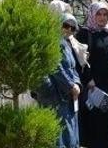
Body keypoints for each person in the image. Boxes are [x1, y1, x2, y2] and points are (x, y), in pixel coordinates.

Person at [35, 13, 83, 148]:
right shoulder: (53, 42)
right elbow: (56, 67)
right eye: (66, 25)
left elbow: (73, 68)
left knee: (70, 132)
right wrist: (71, 85)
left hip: (68, 96)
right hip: (55, 95)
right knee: (60, 135)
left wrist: (77, 84)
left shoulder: (67, 44)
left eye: (73, 28)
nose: (69, 30)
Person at [78, 2, 108, 148]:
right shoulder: (85, 34)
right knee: (95, 121)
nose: (102, 18)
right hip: (94, 86)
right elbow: (81, 59)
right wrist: (88, 79)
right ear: (92, 15)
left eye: (105, 14)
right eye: (99, 14)